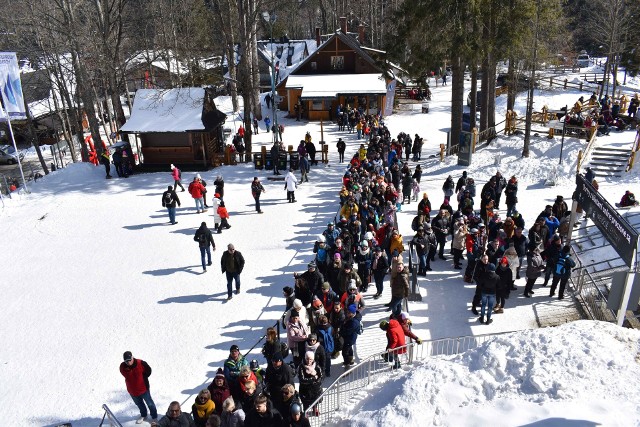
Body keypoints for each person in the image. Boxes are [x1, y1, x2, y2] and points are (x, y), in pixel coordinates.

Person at [120, 351, 158, 424]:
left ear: (132, 357)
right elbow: (124, 374)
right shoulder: (122, 367)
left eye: (129, 360)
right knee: (139, 404)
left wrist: (142, 378)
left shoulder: (141, 363)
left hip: (143, 389)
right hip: (132, 391)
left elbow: (149, 371)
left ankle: (154, 417)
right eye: (126, 361)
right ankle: (144, 415)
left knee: (150, 403)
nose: (128, 362)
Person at [298, 351, 323, 416]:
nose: (309, 361)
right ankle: (305, 412)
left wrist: (317, 380)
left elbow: (321, 376)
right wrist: (313, 379)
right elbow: (302, 379)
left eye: (311, 359)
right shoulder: (301, 367)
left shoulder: (316, 366)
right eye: (307, 359)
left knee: (315, 401)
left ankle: (315, 408)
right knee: (305, 403)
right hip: (305, 390)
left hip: (315, 389)